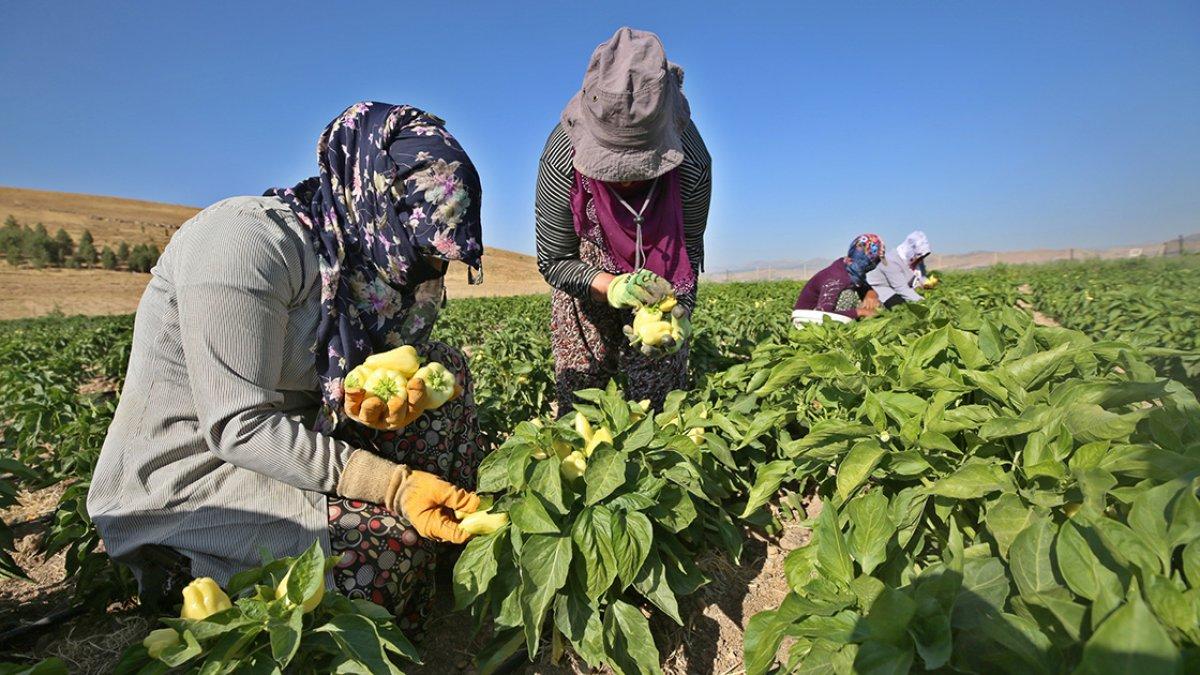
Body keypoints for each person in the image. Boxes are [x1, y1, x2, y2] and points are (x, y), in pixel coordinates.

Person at [87, 102, 487, 633]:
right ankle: (175, 564)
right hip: (195, 472)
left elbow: (341, 383)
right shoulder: (245, 245)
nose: (431, 270)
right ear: (373, 207)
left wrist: (370, 405)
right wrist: (392, 485)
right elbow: (238, 426)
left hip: (299, 442)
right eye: (420, 252)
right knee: (387, 552)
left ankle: (455, 539)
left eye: (441, 256)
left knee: (444, 371)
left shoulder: (358, 269)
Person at [535, 27, 712, 411]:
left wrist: (679, 310)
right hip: (587, 271)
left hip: (662, 283)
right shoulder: (562, 157)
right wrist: (610, 287)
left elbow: (689, 247)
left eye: (640, 163)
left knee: (655, 401)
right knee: (581, 393)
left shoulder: (692, 164)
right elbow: (554, 258)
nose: (625, 176)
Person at [792, 234, 886, 325]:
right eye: (875, 261)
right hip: (806, 321)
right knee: (848, 294)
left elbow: (862, 286)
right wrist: (859, 312)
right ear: (865, 260)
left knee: (875, 303)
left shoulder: (849, 269)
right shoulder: (837, 278)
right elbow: (824, 313)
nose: (874, 265)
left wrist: (870, 293)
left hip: (821, 316)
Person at [867, 230, 932, 308]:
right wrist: (926, 303)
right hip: (879, 290)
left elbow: (922, 278)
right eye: (918, 255)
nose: (920, 258)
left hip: (897, 289)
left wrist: (930, 286)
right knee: (901, 307)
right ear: (910, 250)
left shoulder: (917, 260)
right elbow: (902, 289)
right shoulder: (890, 261)